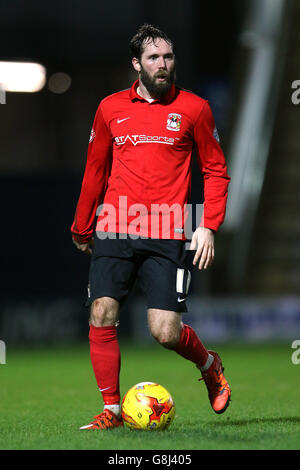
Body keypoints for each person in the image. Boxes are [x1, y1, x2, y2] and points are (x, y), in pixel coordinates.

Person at [71, 24, 231, 430]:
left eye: (169, 57)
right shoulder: (110, 108)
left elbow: (215, 170)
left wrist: (208, 225)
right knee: (102, 312)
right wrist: (83, 224)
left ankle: (210, 365)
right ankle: (111, 411)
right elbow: (95, 169)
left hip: (169, 232)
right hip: (115, 224)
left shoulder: (195, 108)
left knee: (164, 332)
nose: (163, 65)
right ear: (136, 64)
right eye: (154, 58)